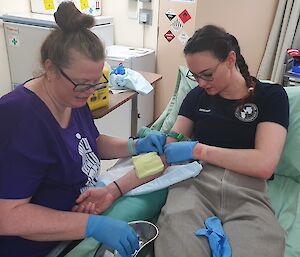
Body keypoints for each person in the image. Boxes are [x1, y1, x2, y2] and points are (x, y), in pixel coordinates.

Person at [0, 2, 166, 257]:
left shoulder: (71, 97)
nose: (91, 92)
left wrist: (134, 145)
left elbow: (90, 143)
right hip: (36, 246)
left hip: (77, 222)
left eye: (96, 82)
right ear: (50, 68)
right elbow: (9, 216)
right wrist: (92, 226)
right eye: (82, 85)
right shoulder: (20, 117)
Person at [154, 25, 289, 257]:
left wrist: (199, 150)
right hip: (195, 184)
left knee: (263, 246)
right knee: (176, 243)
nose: (202, 83)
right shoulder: (196, 97)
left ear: (230, 59)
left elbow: (264, 164)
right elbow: (173, 142)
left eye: (207, 74)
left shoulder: (271, 96)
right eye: (195, 76)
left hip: (247, 191)